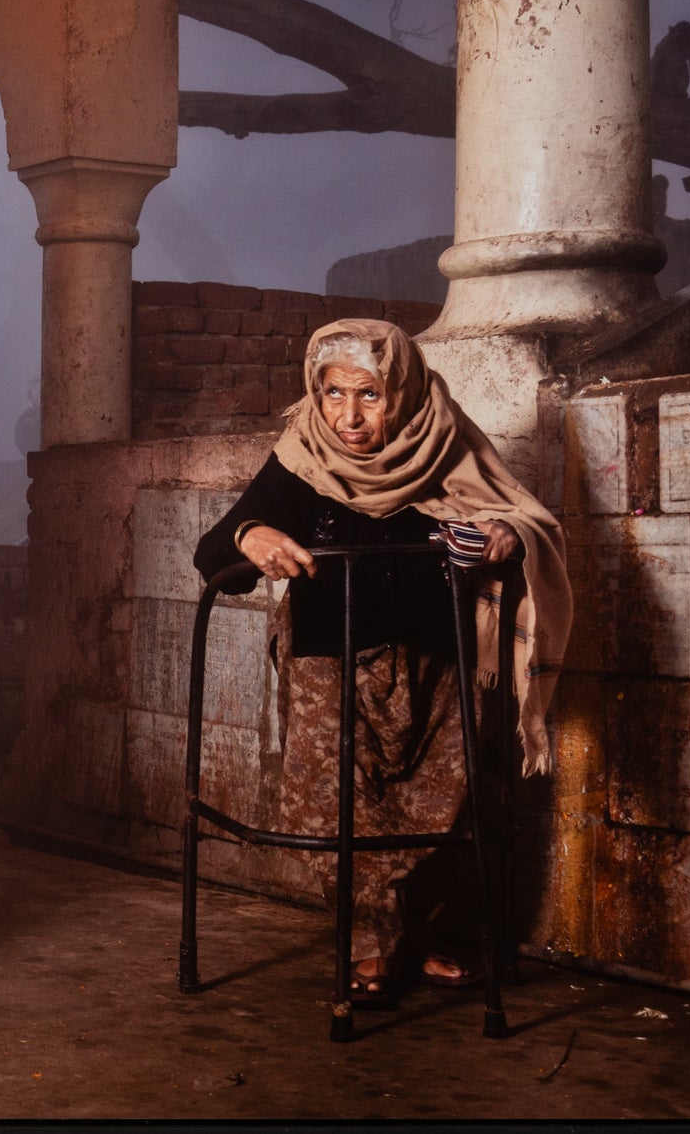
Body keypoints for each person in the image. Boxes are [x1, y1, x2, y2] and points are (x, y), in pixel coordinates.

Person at [193, 319, 569, 1003]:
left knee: (441, 800)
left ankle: (415, 935)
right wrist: (255, 536)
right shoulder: (301, 455)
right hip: (328, 658)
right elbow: (216, 546)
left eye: (370, 395)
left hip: (436, 657)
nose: (348, 416)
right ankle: (371, 946)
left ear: (405, 391)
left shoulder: (444, 442)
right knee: (333, 803)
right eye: (333, 393)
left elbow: (523, 518)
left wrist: (503, 535)